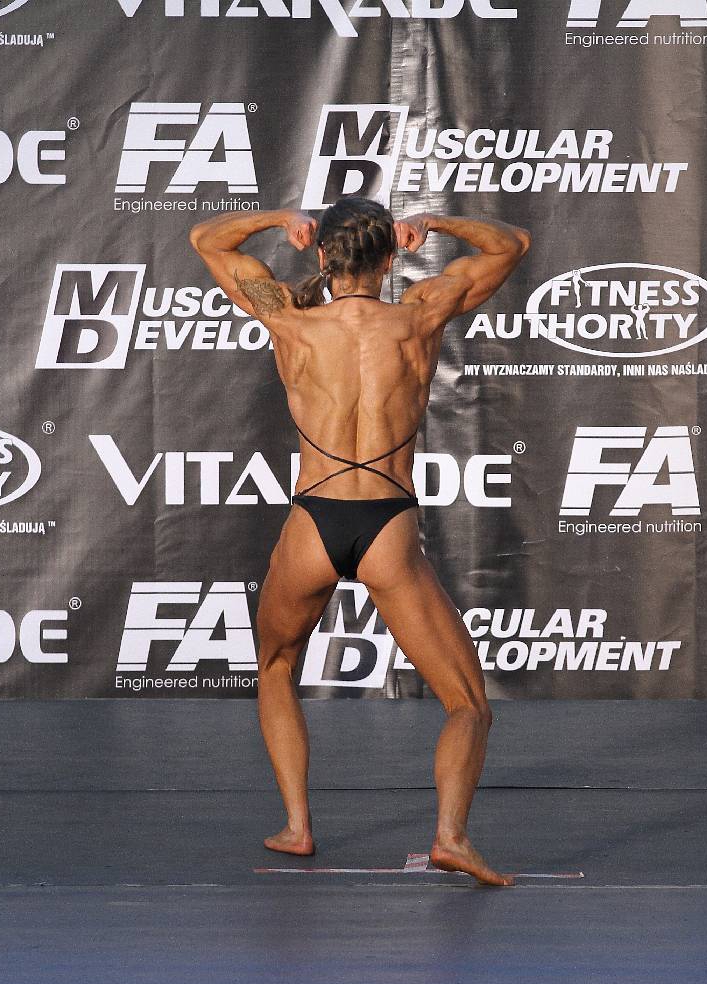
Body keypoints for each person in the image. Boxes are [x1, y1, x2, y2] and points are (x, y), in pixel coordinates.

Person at [189, 196, 530, 885]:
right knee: (467, 704)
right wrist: (436, 224)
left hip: (313, 522)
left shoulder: (287, 317)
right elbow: (511, 244)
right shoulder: (421, 316)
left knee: (276, 667)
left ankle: (297, 826)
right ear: (391, 257)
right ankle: (450, 837)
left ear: (321, 254)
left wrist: (279, 218)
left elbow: (206, 239)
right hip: (387, 528)